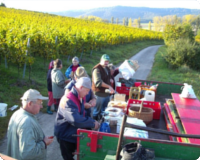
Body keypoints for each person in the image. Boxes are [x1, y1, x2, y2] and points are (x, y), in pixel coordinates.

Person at [54, 77, 99, 160]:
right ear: (81, 88)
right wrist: (92, 123)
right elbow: (75, 120)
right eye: (87, 91)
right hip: (65, 134)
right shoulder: (69, 99)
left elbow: (81, 114)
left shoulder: (79, 96)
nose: (87, 94)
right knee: (68, 157)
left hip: (72, 133)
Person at [7, 89, 54, 160]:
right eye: (40, 103)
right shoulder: (27, 122)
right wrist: (44, 143)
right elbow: (28, 154)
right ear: (30, 103)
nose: (41, 106)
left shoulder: (16, 114)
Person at [92, 54, 115, 120]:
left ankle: (102, 124)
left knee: (105, 111)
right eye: (105, 61)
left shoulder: (107, 68)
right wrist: (109, 86)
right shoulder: (97, 69)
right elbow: (98, 82)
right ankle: (94, 125)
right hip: (99, 94)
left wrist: (110, 79)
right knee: (96, 111)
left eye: (107, 61)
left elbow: (108, 76)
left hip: (106, 94)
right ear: (101, 60)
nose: (106, 63)